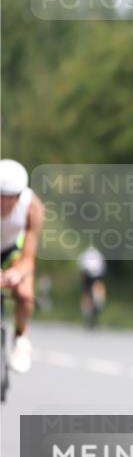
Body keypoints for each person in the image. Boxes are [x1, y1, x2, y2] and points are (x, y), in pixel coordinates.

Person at [0, 159, 45, 373]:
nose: (5, 205)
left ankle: (20, 337)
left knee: (25, 293)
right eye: (0, 197)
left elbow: (28, 258)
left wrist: (17, 274)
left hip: (12, 250)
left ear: (20, 195)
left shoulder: (33, 207)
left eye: (11, 199)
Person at [78, 245, 107, 325]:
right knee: (99, 286)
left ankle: (87, 310)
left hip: (87, 274)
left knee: (86, 293)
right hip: (98, 274)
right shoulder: (99, 254)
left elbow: (81, 268)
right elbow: (103, 268)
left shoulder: (84, 254)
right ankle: (99, 301)